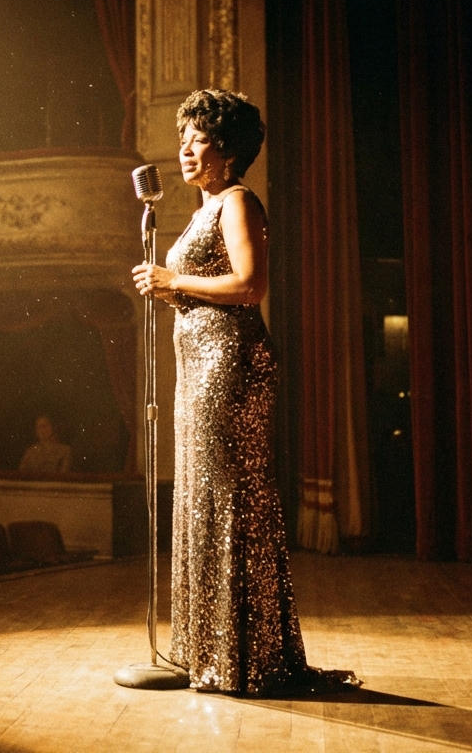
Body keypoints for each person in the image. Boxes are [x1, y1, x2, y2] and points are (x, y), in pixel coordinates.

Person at [132, 88, 358, 695]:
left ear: (226, 150)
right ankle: (209, 648)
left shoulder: (237, 202)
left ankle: (237, 656)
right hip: (200, 366)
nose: (183, 148)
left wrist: (172, 278)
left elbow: (251, 285)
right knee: (203, 496)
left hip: (228, 366)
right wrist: (169, 286)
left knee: (225, 497)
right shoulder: (205, 207)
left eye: (197, 138)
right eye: (183, 137)